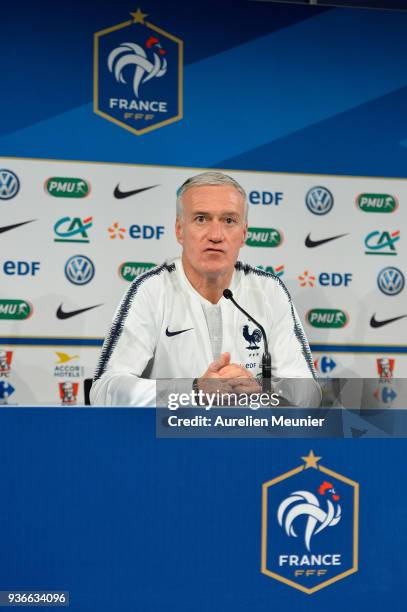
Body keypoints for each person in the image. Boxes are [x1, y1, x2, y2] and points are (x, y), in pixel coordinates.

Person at [90, 171, 319, 406]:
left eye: (229, 220)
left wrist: (261, 390)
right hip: (172, 439)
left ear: (244, 233)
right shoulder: (151, 290)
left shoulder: (269, 291)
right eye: (201, 219)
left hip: (250, 439)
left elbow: (308, 394)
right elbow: (105, 390)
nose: (216, 235)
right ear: (180, 230)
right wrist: (194, 391)